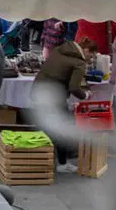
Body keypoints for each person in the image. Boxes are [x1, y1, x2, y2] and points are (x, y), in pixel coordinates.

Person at [33, 37, 98, 172]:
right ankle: (62, 164)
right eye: (91, 55)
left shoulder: (59, 50)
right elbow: (74, 87)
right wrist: (85, 95)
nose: (90, 58)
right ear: (86, 50)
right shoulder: (79, 63)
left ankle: (44, 155)